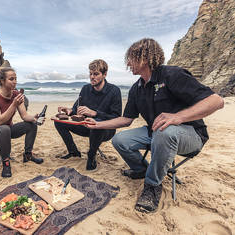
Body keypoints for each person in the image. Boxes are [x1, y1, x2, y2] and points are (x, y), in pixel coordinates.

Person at [85, 38, 224, 213]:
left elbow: (216, 101)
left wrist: (178, 117)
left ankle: (152, 186)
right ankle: (141, 169)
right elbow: (126, 119)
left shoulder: (172, 75)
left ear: (144, 57)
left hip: (191, 134)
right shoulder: (137, 88)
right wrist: (97, 125)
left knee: (165, 131)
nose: (128, 63)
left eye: (130, 58)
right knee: (120, 139)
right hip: (156, 132)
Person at [55, 59, 122, 170]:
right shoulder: (85, 88)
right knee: (59, 122)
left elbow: (116, 117)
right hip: (85, 126)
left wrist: (94, 113)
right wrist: (69, 110)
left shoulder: (114, 91)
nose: (92, 77)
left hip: (106, 130)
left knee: (96, 125)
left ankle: (91, 155)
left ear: (105, 74)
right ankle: (73, 152)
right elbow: (77, 108)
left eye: (96, 74)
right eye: (90, 74)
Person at [0, 67, 44, 178]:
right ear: (2, 81)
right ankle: (6, 163)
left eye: (16, 78)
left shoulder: (16, 94)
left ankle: (28, 155)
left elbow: (24, 116)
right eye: (11, 79)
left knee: (31, 125)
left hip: (7, 130)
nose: (15, 81)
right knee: (4, 128)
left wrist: (34, 118)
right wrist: (13, 105)